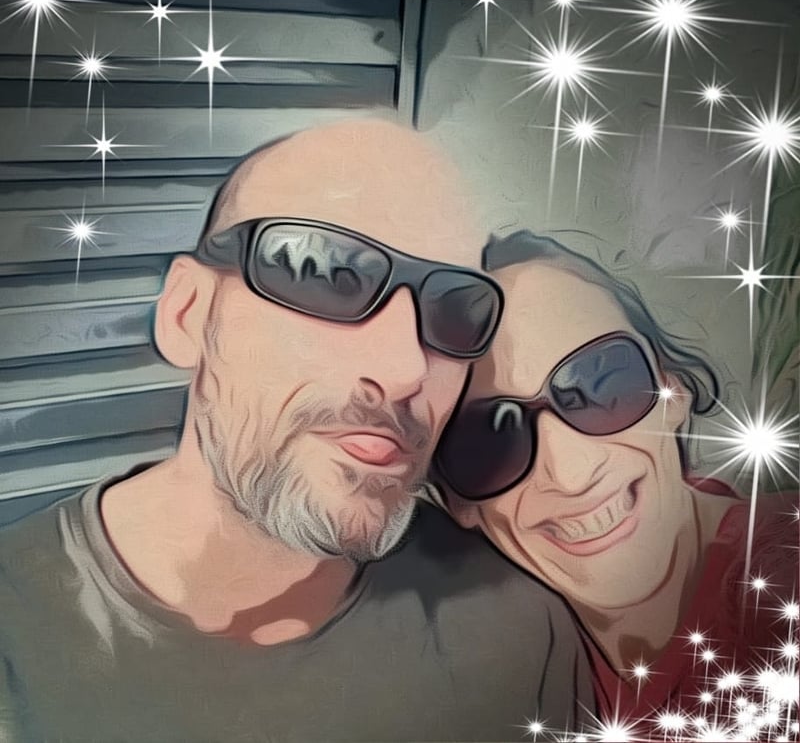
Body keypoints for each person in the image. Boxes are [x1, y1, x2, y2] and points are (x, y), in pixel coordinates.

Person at [0, 123, 594, 742]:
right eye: (325, 273)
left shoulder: (518, 639)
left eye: (456, 309)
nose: (406, 370)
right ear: (187, 315)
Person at [434, 230, 798, 734]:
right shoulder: (496, 679)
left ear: (672, 388)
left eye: (600, 382)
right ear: (456, 499)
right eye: (490, 437)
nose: (570, 474)